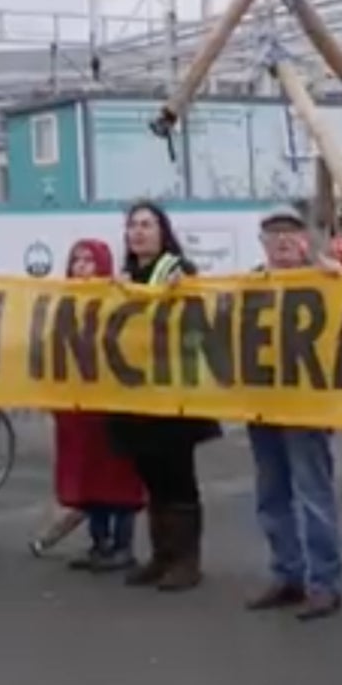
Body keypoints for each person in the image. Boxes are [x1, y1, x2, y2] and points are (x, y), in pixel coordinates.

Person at [108, 200, 222, 592]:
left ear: (162, 232)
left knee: (176, 477)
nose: (138, 232)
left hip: (172, 394)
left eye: (147, 225)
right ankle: (162, 555)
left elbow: (196, 320)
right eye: (133, 226)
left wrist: (178, 294)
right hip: (134, 394)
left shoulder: (178, 272)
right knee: (150, 475)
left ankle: (187, 560)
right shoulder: (123, 276)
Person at [244, 205, 342, 621]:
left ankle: (324, 583)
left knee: (313, 494)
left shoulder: (326, 281)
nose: (282, 240)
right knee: (272, 496)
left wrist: (338, 278)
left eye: (290, 232)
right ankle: (288, 574)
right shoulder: (249, 284)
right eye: (273, 233)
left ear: (305, 240)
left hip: (307, 405)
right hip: (263, 404)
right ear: (263, 243)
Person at [52, 239, 148, 571]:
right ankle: (99, 543)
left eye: (88, 261)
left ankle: (123, 546)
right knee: (88, 475)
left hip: (112, 406)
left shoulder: (118, 301)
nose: (81, 266)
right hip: (78, 407)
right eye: (75, 260)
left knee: (118, 477)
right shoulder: (63, 303)